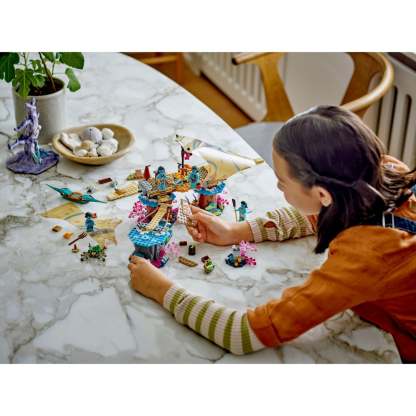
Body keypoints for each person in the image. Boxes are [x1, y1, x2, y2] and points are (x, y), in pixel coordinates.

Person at [128, 106, 416, 362]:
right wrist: (235, 231)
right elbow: (320, 214)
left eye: (281, 182)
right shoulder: (384, 171)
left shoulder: (366, 258)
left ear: (322, 194)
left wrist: (161, 290)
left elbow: (244, 332)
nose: (278, 188)